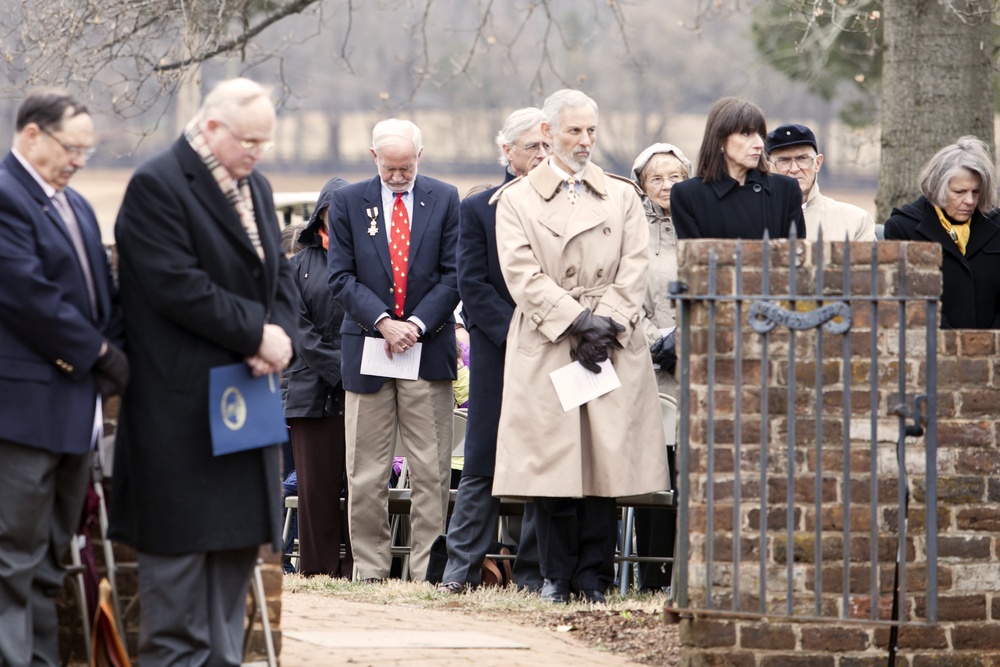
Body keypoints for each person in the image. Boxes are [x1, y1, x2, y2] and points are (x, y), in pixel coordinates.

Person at [109, 77, 297, 664]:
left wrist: (280, 336)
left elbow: (279, 276)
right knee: (179, 600)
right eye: (248, 140)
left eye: (265, 142)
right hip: (181, 414)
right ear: (211, 126)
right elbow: (174, 285)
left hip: (244, 408)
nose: (257, 153)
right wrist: (253, 332)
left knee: (230, 581)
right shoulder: (158, 185)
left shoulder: (256, 187)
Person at [492, 89, 667, 604]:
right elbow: (520, 272)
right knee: (554, 466)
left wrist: (604, 324)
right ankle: (554, 575)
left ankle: (595, 574)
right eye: (574, 131)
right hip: (551, 340)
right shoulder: (517, 200)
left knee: (605, 463)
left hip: (609, 341)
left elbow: (635, 266)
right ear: (548, 133)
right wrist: (577, 322)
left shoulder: (621, 195)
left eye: (591, 130)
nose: (586, 141)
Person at [0, 89, 126, 667]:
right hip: (23, 414)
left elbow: (100, 293)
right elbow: (28, 297)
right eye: (71, 147)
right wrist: (102, 353)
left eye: (86, 149)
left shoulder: (74, 205)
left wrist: (119, 347)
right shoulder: (6, 197)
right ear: (32, 135)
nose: (79, 159)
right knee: (11, 562)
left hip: (76, 411)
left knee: (52, 561)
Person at [328, 118, 461, 582]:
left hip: (427, 349)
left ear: (419, 157)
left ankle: (427, 572)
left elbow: (453, 274)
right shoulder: (347, 202)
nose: (398, 176)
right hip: (368, 348)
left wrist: (417, 325)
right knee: (365, 472)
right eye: (390, 168)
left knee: (431, 470)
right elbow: (340, 277)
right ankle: (370, 570)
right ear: (374, 158)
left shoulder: (445, 198)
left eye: (406, 167)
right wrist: (384, 323)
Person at [436, 108, 547, 595]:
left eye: (548, 147)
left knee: (546, 463)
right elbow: (472, 284)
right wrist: (517, 337)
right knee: (482, 463)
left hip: (553, 351)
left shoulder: (562, 206)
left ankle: (532, 575)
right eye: (532, 148)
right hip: (498, 351)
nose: (542, 156)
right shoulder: (479, 207)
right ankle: (459, 571)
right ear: (507, 152)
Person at [629, 142, 693, 593]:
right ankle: (651, 576)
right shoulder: (631, 229)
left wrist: (690, 340)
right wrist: (660, 342)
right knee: (654, 471)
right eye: (657, 178)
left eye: (676, 175)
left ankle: (689, 575)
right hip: (651, 369)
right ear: (642, 185)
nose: (667, 185)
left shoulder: (704, 223)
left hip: (701, 365)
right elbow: (627, 294)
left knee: (693, 473)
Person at [283, 176, 354, 577]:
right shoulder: (296, 266)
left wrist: (353, 373)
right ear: (320, 213)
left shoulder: (367, 261)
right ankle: (317, 568)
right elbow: (299, 329)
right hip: (310, 392)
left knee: (360, 484)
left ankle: (354, 567)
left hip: (363, 389)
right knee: (315, 489)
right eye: (333, 210)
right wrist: (339, 370)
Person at [883, 135, 1000, 329]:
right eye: (959, 192)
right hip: (932, 348)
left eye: (976, 192)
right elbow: (910, 299)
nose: (970, 201)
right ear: (937, 187)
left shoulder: (996, 225)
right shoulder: (904, 228)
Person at [671, 96, 806, 240]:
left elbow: (794, 257)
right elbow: (694, 259)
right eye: (746, 134)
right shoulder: (688, 195)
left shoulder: (786, 190)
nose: (759, 143)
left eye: (760, 134)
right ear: (720, 141)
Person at [765, 123, 877, 241]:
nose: (794, 169)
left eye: (802, 158)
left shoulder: (855, 221)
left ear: (817, 163)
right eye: (784, 160)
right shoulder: (755, 218)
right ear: (768, 167)